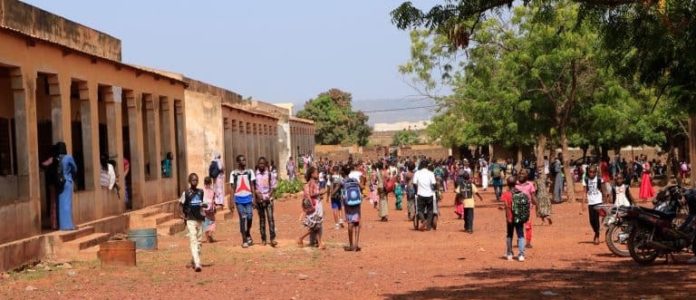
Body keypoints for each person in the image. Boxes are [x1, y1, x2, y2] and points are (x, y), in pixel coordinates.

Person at [179, 173, 206, 272]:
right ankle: (198, 263)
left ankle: (193, 260)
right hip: (190, 219)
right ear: (189, 181)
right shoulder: (186, 193)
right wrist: (182, 215)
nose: (195, 182)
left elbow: (201, 204)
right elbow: (181, 204)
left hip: (199, 219)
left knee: (199, 242)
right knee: (193, 240)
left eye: (196, 180)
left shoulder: (200, 192)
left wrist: (204, 206)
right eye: (193, 180)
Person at [230, 155, 256, 248]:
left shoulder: (250, 172)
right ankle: (244, 239)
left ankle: (248, 232)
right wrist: (231, 201)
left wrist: (254, 198)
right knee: (243, 217)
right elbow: (232, 188)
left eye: (244, 159)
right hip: (239, 199)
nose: (244, 161)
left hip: (248, 198)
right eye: (242, 160)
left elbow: (252, 185)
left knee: (250, 217)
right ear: (238, 162)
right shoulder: (233, 173)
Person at [298, 166, 326, 249]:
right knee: (316, 225)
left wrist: (319, 195)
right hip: (314, 205)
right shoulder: (312, 182)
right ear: (312, 174)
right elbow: (311, 194)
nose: (317, 174)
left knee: (316, 225)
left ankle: (318, 242)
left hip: (316, 204)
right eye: (316, 173)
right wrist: (320, 193)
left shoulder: (313, 182)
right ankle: (302, 238)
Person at [501, 176, 527, 262]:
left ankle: (509, 254)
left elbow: (507, 206)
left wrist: (509, 217)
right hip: (519, 217)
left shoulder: (506, 194)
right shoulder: (520, 193)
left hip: (510, 218)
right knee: (521, 235)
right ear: (516, 183)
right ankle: (521, 255)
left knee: (509, 235)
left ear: (508, 184)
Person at [255, 157, 278, 247]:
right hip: (260, 200)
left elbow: (273, 186)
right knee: (262, 219)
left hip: (269, 199)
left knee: (270, 218)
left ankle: (272, 239)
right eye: (260, 163)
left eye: (263, 164)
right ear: (258, 164)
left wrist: (269, 195)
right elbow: (254, 187)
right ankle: (263, 239)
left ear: (265, 164)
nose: (261, 165)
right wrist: (257, 194)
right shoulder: (255, 174)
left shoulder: (269, 174)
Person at [55, 142, 77, 231]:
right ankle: (68, 225)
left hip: (59, 183)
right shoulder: (68, 157)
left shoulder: (57, 158)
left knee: (61, 203)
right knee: (67, 203)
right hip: (67, 181)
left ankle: (62, 225)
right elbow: (75, 168)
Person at [342, 164, 362, 251]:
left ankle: (351, 245)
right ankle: (356, 245)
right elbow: (361, 187)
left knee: (350, 222)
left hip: (348, 204)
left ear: (342, 172)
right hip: (357, 202)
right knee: (357, 223)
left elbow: (338, 191)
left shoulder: (343, 181)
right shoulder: (354, 180)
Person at [413, 160, 437, 231]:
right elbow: (434, 184)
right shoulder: (431, 173)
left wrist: (416, 191)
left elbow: (414, 183)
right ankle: (428, 226)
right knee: (430, 210)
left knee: (420, 210)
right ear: (427, 166)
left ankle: (423, 220)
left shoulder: (417, 173)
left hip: (420, 194)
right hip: (429, 194)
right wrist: (434, 190)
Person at [515, 169, 537, 248]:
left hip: (528, 208)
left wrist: (538, 205)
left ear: (527, 175)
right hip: (517, 208)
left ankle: (528, 242)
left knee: (528, 226)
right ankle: (520, 239)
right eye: (520, 173)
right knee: (519, 225)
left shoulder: (530, 185)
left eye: (523, 174)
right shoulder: (515, 184)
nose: (521, 175)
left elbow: (533, 197)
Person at [584, 165, 604, 245]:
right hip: (590, 202)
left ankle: (597, 235)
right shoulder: (586, 179)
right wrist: (583, 203)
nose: (591, 174)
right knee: (591, 220)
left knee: (596, 219)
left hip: (598, 201)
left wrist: (605, 201)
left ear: (596, 172)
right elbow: (585, 191)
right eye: (590, 172)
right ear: (588, 172)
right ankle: (596, 231)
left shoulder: (599, 179)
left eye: (593, 172)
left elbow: (603, 190)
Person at [329, 165, 345, 229]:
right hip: (339, 195)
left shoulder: (331, 178)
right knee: (340, 207)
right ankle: (341, 220)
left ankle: (337, 224)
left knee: (334, 209)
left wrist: (328, 196)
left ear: (333, 170)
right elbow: (343, 186)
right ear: (338, 170)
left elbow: (328, 186)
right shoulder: (340, 177)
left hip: (333, 195)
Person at [202, 176, 217, 243]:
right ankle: (210, 233)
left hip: (204, 210)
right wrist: (215, 207)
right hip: (211, 209)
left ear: (204, 183)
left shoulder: (202, 191)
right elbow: (214, 200)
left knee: (205, 223)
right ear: (210, 183)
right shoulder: (212, 191)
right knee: (212, 221)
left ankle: (208, 239)